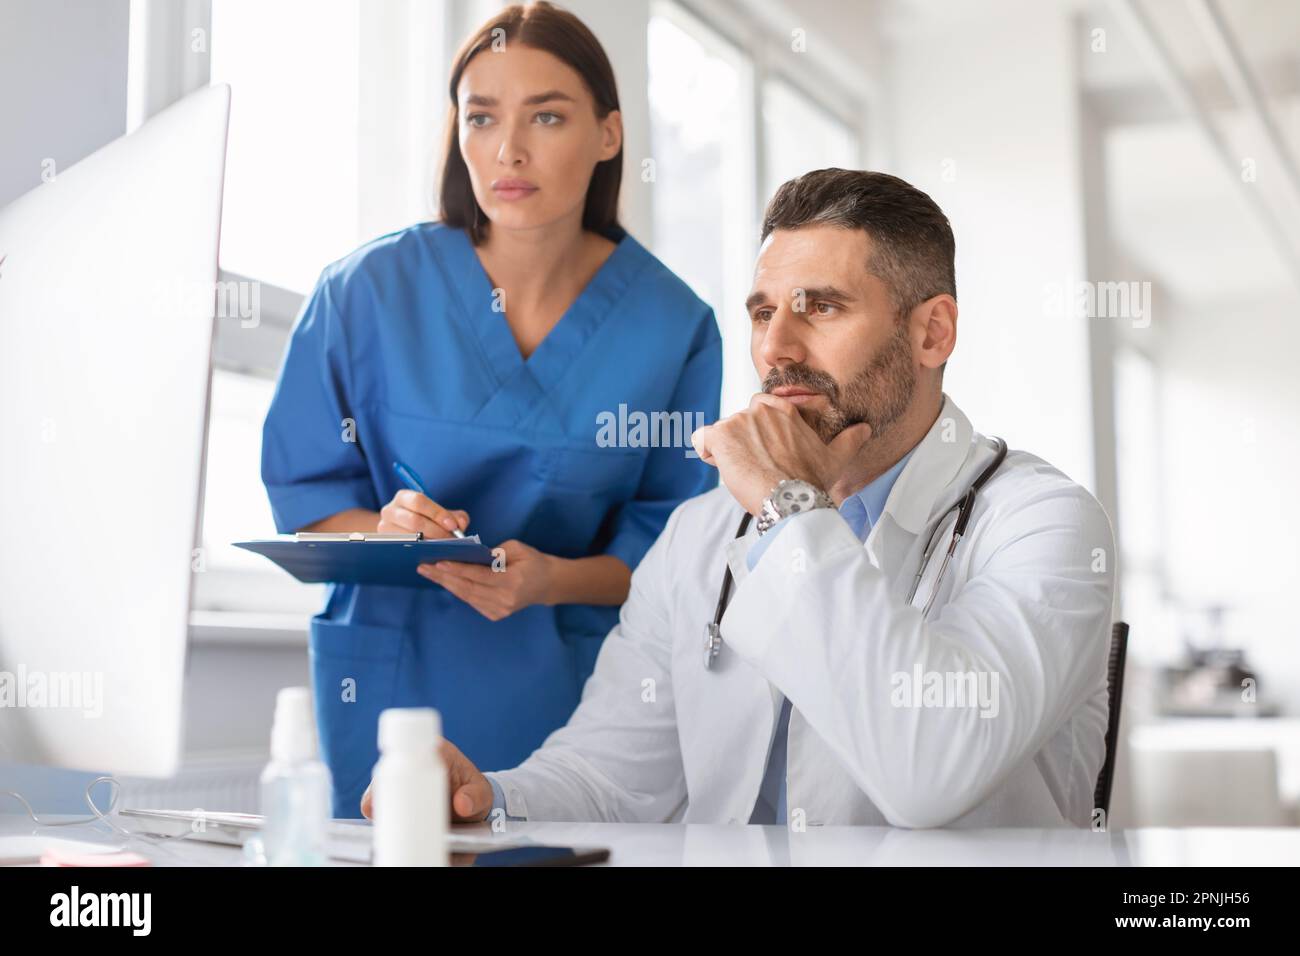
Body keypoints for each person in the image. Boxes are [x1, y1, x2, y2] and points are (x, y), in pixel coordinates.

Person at [361, 168, 1117, 829]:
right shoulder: (701, 532)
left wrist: (791, 508)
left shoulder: (1040, 524)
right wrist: (485, 799)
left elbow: (929, 774)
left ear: (932, 333)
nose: (775, 348)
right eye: (762, 312)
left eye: (820, 307)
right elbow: (612, 780)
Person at [262, 2, 721, 817]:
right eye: (482, 117)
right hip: (389, 684)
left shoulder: (674, 328)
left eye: (547, 115)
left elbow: (669, 555)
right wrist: (385, 528)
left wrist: (548, 582)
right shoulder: (363, 293)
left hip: (574, 694)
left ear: (610, 134)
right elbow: (307, 503)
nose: (509, 149)